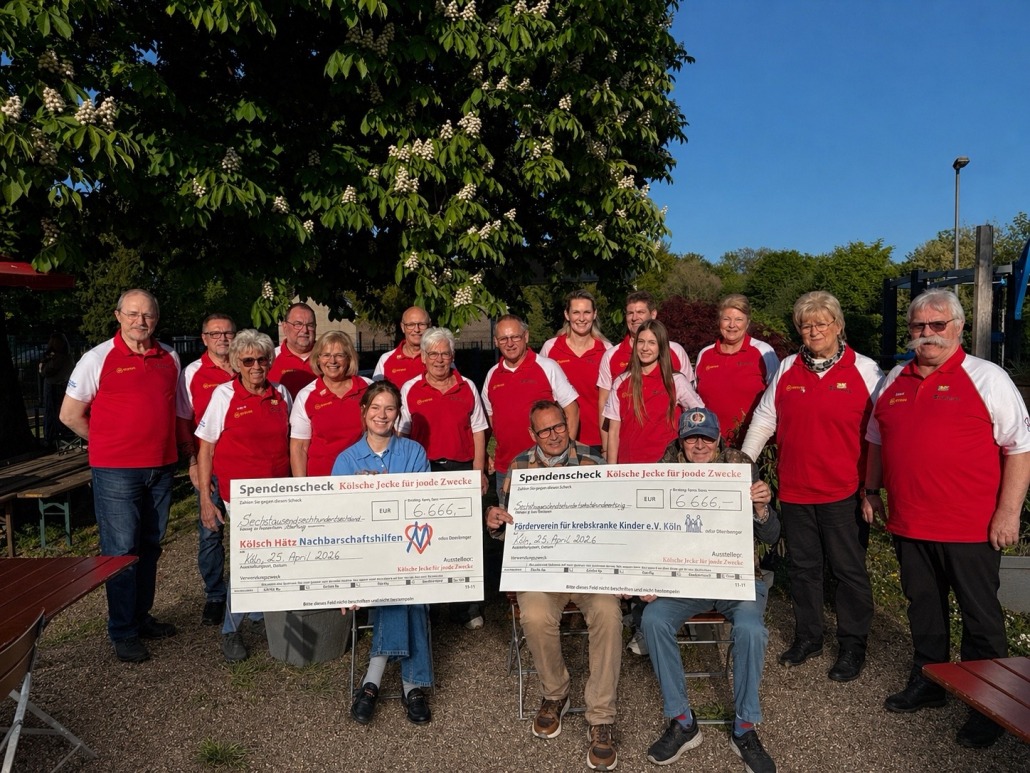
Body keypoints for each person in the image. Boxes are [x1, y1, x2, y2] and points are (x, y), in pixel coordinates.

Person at [862, 289, 1030, 748]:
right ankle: (929, 681)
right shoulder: (894, 378)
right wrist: (871, 490)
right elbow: (876, 438)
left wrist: (1008, 513)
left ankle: (988, 705)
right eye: (919, 326)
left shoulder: (988, 377)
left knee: (980, 619)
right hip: (910, 523)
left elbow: (1019, 448)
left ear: (958, 327)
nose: (927, 334)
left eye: (938, 325)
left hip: (970, 526)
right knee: (924, 608)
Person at [741, 291, 883, 683]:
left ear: (838, 326)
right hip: (796, 489)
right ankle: (809, 637)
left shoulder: (866, 370)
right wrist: (744, 463)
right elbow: (765, 418)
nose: (814, 331)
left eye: (822, 323)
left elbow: (880, 431)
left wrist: (873, 488)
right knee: (804, 570)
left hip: (843, 491)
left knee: (848, 571)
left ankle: (852, 644)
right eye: (806, 325)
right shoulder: (788, 367)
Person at [485, 400, 621, 771]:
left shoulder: (594, 462)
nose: (554, 435)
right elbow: (508, 530)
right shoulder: (517, 468)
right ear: (533, 434)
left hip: (588, 569)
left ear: (568, 423)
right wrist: (494, 521)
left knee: (609, 613)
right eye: (544, 430)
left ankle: (601, 715)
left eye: (559, 426)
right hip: (541, 570)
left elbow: (615, 518)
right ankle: (555, 692)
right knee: (533, 615)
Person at [642, 408, 779, 772]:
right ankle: (683, 721)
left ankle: (744, 728)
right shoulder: (664, 471)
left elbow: (771, 536)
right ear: (681, 441)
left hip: (737, 576)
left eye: (706, 437)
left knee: (751, 629)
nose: (699, 445)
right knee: (653, 619)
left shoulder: (740, 466)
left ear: (719, 438)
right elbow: (648, 531)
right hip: (688, 579)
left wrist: (761, 508)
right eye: (691, 438)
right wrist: (647, 576)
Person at [60, 289, 181, 663]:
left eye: (147, 315)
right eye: (132, 314)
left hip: (161, 467)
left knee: (150, 545)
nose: (140, 321)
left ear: (156, 319)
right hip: (117, 471)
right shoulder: (97, 358)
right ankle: (123, 630)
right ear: (118, 316)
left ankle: (141, 617)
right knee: (121, 551)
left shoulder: (169, 357)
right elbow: (69, 414)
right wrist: (107, 442)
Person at [333, 381, 434, 726]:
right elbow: (339, 520)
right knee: (403, 588)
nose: (382, 414)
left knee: (406, 582)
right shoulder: (346, 460)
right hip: (365, 555)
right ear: (364, 411)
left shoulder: (414, 453)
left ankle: (372, 680)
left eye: (389, 408)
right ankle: (412, 685)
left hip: (410, 548)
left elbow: (424, 505)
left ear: (398, 413)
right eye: (375, 407)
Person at [195, 330, 293, 662]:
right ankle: (231, 629)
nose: (256, 366)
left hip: (278, 491)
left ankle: (261, 613)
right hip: (240, 495)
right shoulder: (224, 395)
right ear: (237, 363)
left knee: (276, 556)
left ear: (270, 361)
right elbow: (206, 448)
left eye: (262, 359)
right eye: (248, 360)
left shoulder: (281, 393)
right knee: (248, 561)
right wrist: (205, 498)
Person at [398, 327, 490, 630]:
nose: (439, 359)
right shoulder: (410, 388)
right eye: (433, 354)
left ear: (453, 356)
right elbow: (402, 434)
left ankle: (466, 607)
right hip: (424, 472)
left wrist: (478, 471)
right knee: (426, 539)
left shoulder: (467, 386)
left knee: (464, 539)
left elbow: (479, 430)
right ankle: (429, 606)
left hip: (461, 470)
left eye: (445, 353)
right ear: (423, 357)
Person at [175, 313, 237, 626]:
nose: (222, 338)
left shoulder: (245, 364)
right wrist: (192, 462)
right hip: (208, 464)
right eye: (215, 334)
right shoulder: (193, 373)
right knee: (211, 530)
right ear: (204, 338)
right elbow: (183, 420)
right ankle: (215, 594)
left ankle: (249, 591)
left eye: (228, 333)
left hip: (241, 463)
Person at [481, 314, 579, 498]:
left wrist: (567, 454)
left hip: (546, 466)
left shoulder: (547, 367)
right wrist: (484, 455)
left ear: (526, 336)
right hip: (506, 468)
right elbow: (487, 420)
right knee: (508, 516)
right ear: (495, 341)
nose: (510, 344)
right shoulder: (492, 375)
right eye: (503, 339)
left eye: (515, 337)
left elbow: (572, 410)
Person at [596, 290, 693, 454]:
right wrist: (606, 449)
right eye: (630, 313)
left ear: (653, 314)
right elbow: (604, 406)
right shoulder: (611, 355)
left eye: (640, 312)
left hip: (668, 455)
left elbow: (690, 403)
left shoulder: (676, 351)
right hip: (628, 452)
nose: (634, 318)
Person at [603, 320, 703, 465]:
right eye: (641, 342)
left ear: (661, 346)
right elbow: (613, 431)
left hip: (666, 466)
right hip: (628, 465)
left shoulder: (676, 381)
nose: (645, 348)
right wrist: (611, 470)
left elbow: (699, 415)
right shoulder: (621, 382)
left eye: (652, 342)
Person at [694, 294, 779, 447]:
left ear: (747, 323)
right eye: (726, 319)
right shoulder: (705, 354)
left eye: (739, 319)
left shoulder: (763, 352)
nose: (732, 325)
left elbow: (777, 398)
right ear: (719, 321)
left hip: (752, 445)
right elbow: (695, 400)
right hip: (710, 444)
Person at [290, 330, 372, 477]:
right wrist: (301, 486)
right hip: (322, 480)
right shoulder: (306, 395)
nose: (332, 361)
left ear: (349, 358)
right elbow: (299, 447)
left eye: (339, 355)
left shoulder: (369, 388)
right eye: (326, 355)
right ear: (318, 359)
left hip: (364, 476)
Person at [540, 290, 612, 453]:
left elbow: (611, 401)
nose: (581, 318)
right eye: (576, 312)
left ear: (594, 314)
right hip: (559, 440)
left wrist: (608, 444)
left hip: (597, 439)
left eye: (587, 312)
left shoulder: (606, 350)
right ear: (567, 315)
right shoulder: (550, 348)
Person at [268, 302, 317, 398]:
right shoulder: (269, 359)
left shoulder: (329, 358)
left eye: (310, 325)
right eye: (298, 324)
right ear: (285, 327)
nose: (305, 330)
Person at [374, 306, 430, 387]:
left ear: (429, 326)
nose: (417, 330)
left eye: (422, 324)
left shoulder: (439, 358)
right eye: (411, 325)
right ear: (403, 327)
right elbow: (376, 392)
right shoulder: (386, 359)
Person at [39, 331, 73, 447]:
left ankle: (51, 437)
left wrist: (43, 366)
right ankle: (60, 434)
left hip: (54, 386)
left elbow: (45, 371)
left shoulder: (58, 358)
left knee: (51, 411)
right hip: (62, 385)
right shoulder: (67, 357)